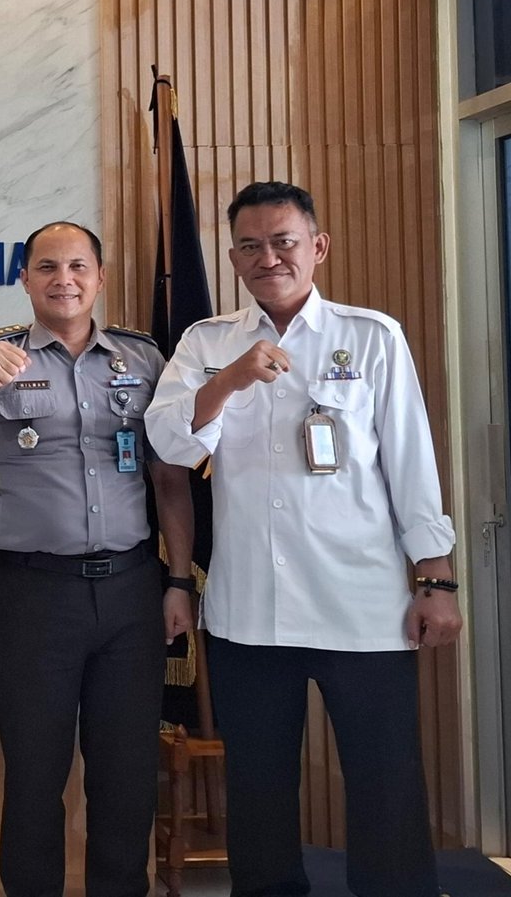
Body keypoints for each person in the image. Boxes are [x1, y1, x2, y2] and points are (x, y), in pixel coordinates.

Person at [145, 181, 459, 897]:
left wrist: (436, 579)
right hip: (251, 612)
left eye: (283, 242)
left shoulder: (371, 335)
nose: (269, 258)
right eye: (250, 246)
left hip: (363, 604)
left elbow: (411, 463)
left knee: (386, 785)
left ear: (317, 246)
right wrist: (230, 379)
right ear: (233, 258)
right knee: (258, 793)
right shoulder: (207, 341)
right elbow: (167, 442)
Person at [0, 221, 195, 897]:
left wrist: (177, 578)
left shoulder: (142, 357)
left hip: (131, 591)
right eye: (47, 267)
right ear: (25, 279)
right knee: (34, 774)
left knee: (125, 776)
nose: (64, 279)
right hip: (35, 596)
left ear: (100, 277)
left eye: (78, 266)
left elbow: (169, 477)